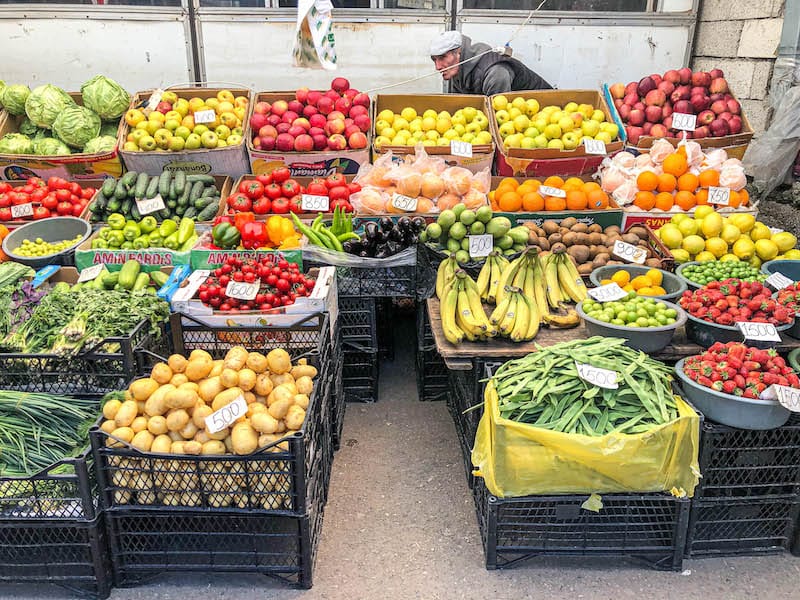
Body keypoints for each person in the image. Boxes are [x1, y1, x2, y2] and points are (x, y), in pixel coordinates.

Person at [430, 30, 552, 96]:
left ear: (459, 53)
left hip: (546, 112)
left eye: (442, 58)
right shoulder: (457, 70)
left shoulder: (495, 73)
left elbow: (499, 116)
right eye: (434, 60)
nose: (438, 67)